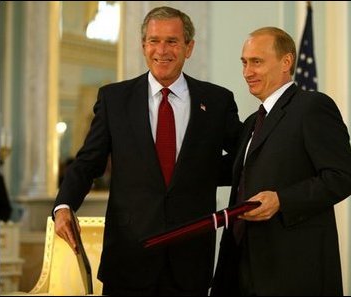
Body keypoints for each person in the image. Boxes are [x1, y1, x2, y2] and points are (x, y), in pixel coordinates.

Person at [53, 6, 241, 296]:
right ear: (143, 46)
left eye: (172, 41)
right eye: (154, 40)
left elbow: (242, 158)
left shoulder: (216, 101)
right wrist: (64, 205)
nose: (161, 50)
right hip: (128, 259)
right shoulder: (114, 99)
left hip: (189, 260)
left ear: (189, 48)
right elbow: (88, 162)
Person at [211, 27, 351, 296]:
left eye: (257, 62)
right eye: (244, 62)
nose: (247, 72)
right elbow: (234, 172)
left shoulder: (312, 107)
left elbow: (342, 176)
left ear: (286, 62)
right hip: (240, 267)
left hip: (291, 270)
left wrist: (282, 200)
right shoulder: (251, 124)